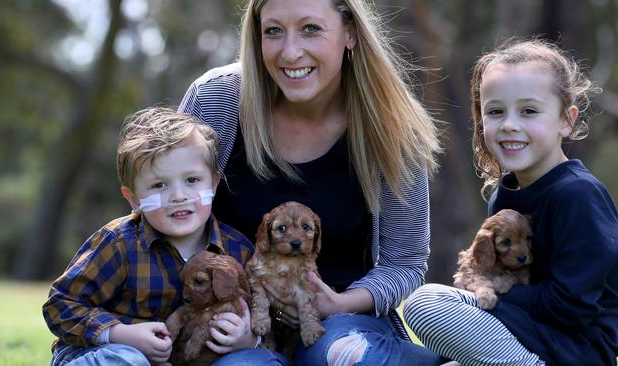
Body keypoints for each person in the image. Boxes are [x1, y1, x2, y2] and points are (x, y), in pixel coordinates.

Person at [178, 0, 444, 364]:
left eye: (311, 29)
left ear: (350, 32)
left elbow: (405, 262)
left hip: (338, 324)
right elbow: (166, 208)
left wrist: (338, 304)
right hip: (231, 321)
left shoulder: (392, 126)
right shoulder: (217, 100)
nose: (290, 52)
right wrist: (224, 312)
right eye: (273, 31)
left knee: (342, 355)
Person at [404, 39, 618, 365]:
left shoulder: (579, 196)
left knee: (426, 303)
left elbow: (571, 307)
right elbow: (491, 271)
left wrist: (492, 293)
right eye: (496, 111)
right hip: (524, 332)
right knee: (431, 307)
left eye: (528, 110)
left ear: (566, 119)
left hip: (571, 350)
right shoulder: (503, 195)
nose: (509, 124)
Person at [42, 107, 258, 366]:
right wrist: (119, 333)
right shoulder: (119, 243)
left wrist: (248, 339)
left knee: (252, 361)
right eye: (159, 185)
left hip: (193, 358)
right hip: (105, 351)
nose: (178, 196)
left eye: (192, 180)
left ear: (213, 184)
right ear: (133, 199)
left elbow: (263, 311)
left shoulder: (238, 249)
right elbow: (60, 305)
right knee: (130, 360)